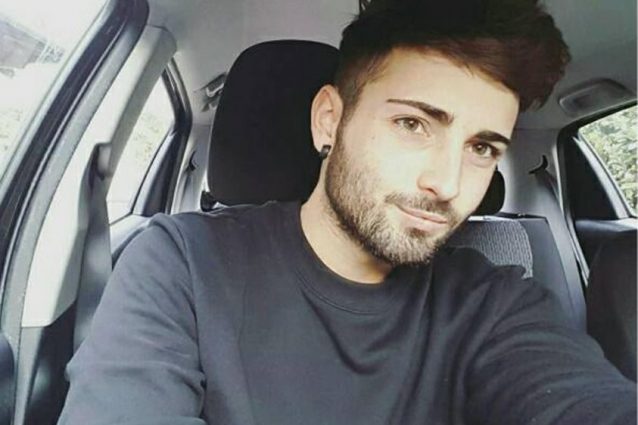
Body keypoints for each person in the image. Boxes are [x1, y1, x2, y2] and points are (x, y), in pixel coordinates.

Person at [58, 1, 637, 424]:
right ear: (329, 121)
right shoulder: (180, 264)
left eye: (482, 148)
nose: (447, 183)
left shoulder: (495, 302)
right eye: (412, 124)